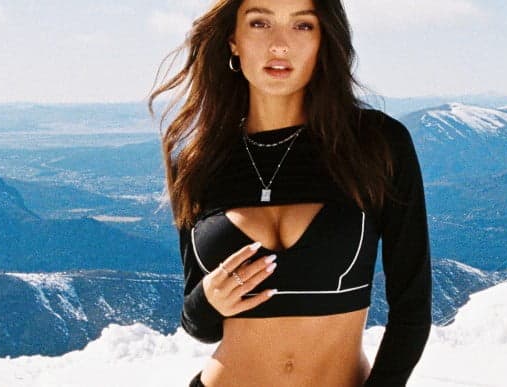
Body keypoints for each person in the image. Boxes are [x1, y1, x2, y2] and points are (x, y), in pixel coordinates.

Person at [149, 0, 430, 385]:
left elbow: (411, 309)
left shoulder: (376, 145)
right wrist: (208, 299)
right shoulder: (199, 162)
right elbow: (200, 326)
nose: (279, 45)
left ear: (323, 40)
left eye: (302, 26)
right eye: (260, 23)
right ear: (233, 39)